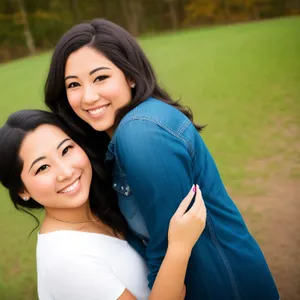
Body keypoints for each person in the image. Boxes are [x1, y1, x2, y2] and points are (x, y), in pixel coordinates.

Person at [44, 19, 279, 299]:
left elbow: (168, 252)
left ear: (130, 75)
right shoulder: (126, 132)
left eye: (101, 78)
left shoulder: (141, 134)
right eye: (73, 84)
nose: (89, 96)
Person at [0, 109, 207, 300]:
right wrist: (179, 248)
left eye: (66, 150)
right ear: (21, 190)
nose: (66, 172)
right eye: (43, 167)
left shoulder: (102, 210)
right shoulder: (65, 261)